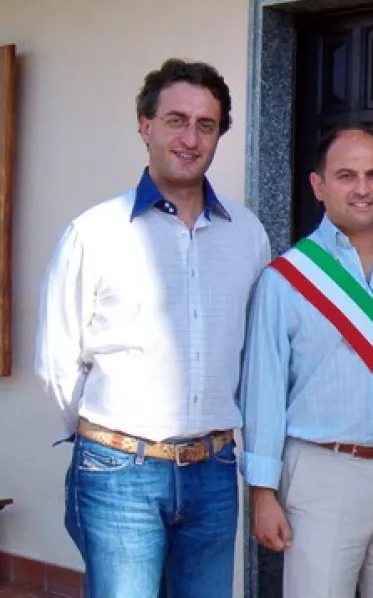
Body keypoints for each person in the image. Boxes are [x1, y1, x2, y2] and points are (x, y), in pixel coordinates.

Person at [34, 58, 269, 597]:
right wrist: (109, 437)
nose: (190, 138)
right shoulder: (95, 232)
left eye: (206, 125)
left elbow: (255, 352)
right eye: (175, 120)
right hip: (119, 470)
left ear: (219, 135)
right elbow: (56, 360)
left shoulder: (248, 235)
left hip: (212, 469)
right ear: (145, 125)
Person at [241, 125, 373, 598]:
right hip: (323, 473)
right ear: (319, 185)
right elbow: (263, 390)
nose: (362, 188)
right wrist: (261, 492)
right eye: (346, 175)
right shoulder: (285, 278)